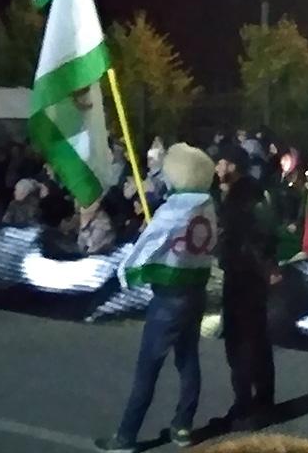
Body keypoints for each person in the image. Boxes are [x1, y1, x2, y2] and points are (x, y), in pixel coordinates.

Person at [97, 144, 220, 452]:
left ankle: (126, 436)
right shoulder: (207, 207)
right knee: (188, 359)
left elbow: (148, 245)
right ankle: (183, 426)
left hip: (169, 297)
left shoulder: (174, 210)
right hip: (196, 290)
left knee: (148, 367)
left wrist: (127, 272)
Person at [215, 144, 278, 428]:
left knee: (241, 342)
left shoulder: (241, 197)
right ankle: (262, 401)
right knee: (256, 340)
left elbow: (252, 238)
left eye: (220, 162)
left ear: (231, 165)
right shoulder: (254, 192)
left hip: (243, 275)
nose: (217, 168)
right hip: (251, 275)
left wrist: (261, 266)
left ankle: (245, 405)